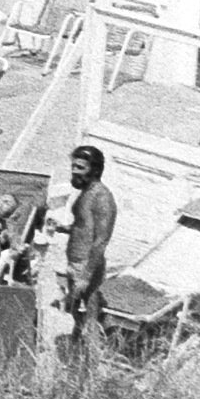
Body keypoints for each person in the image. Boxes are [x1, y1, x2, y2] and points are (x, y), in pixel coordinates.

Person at [64, 142, 117, 367]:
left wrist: (86, 275)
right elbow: (84, 227)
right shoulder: (87, 191)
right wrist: (62, 228)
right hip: (75, 261)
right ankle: (77, 353)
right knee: (76, 311)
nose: (74, 171)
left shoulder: (102, 197)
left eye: (80, 168)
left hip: (86, 265)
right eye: (73, 166)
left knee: (91, 314)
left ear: (94, 170)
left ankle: (94, 362)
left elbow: (101, 240)